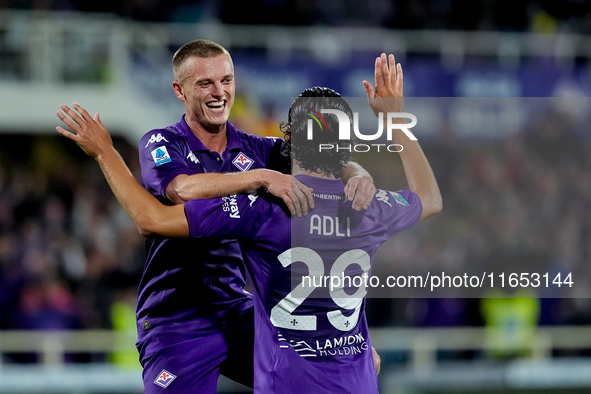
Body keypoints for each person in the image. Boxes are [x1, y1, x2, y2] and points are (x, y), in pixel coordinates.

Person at [57, 52, 441, 393]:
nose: (219, 91)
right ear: (179, 90)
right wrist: (260, 177)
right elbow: (180, 191)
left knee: (321, 353)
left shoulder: (259, 150)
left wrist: (356, 171)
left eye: (226, 80)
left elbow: (318, 150)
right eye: (205, 82)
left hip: (236, 309)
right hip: (177, 317)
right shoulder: (162, 141)